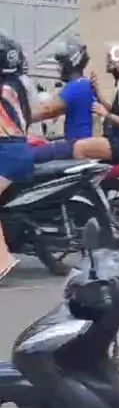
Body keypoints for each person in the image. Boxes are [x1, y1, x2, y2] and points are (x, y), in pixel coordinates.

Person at [73, 46, 119, 163]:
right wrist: (97, 91)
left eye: (112, 62)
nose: (109, 65)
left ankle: (83, 176)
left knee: (79, 147)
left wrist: (105, 114)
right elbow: (115, 110)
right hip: (118, 139)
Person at [0, 34, 34, 279]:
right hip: (15, 151)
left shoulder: (3, 89)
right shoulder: (15, 87)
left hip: (9, 155)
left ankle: (3, 261)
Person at [30, 39, 94, 161]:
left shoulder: (75, 86)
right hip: (82, 143)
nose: (58, 68)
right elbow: (56, 111)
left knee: (28, 156)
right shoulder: (84, 83)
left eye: (61, 64)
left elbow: (49, 110)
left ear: (70, 64)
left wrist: (19, 118)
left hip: (76, 144)